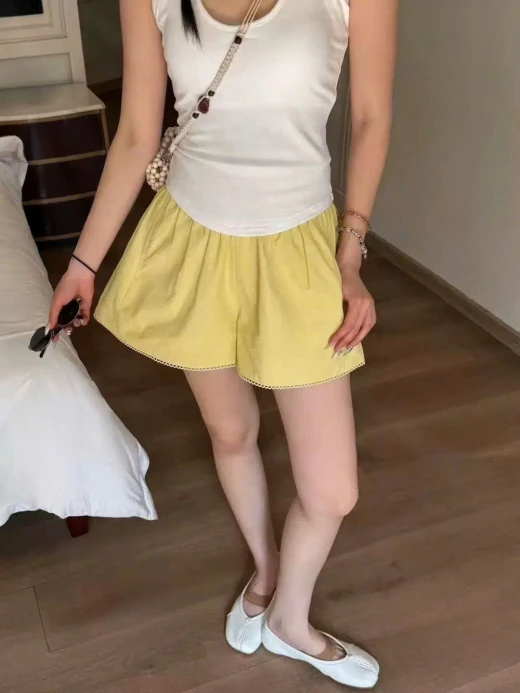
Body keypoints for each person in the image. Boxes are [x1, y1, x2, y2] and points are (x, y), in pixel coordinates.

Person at [49, 0, 397, 687]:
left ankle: (290, 619)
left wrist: (350, 254)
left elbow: (370, 118)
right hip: (194, 240)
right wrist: (83, 265)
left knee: (332, 491)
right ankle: (266, 574)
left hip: (299, 248)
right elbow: (137, 133)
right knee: (231, 430)